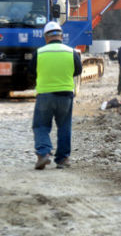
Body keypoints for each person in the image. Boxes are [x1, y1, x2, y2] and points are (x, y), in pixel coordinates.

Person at [29, 21, 82, 170]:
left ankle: (43, 154)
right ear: (61, 36)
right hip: (65, 95)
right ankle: (63, 159)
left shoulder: (39, 53)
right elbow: (78, 71)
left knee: (41, 126)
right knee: (64, 126)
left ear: (46, 37)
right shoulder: (71, 52)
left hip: (45, 95)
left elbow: (31, 71)